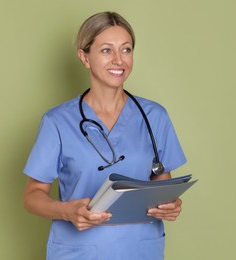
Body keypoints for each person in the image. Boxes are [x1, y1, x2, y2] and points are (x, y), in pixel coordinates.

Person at [23, 11, 186, 259]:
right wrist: (67, 211)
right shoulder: (57, 122)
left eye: (126, 49)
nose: (119, 60)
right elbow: (32, 196)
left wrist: (170, 205)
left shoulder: (155, 116)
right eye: (107, 50)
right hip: (79, 251)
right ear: (85, 57)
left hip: (140, 249)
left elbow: (162, 184)